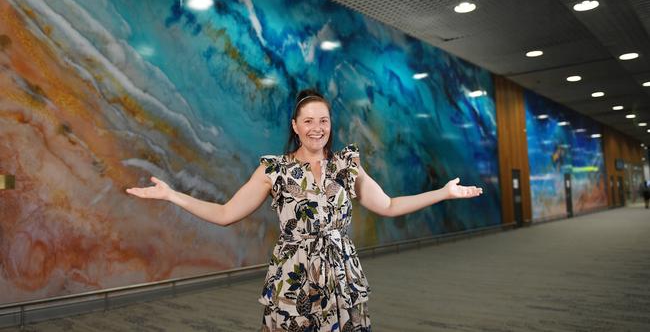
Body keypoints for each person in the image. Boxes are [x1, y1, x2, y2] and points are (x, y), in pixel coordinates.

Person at [126, 89, 483, 331]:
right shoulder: (273, 170)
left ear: (330, 125)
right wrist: (173, 196)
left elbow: (388, 205)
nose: (317, 128)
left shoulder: (347, 166)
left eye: (323, 120)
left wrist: (443, 193)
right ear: (295, 126)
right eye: (308, 121)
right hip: (293, 279)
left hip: (342, 278)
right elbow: (225, 214)